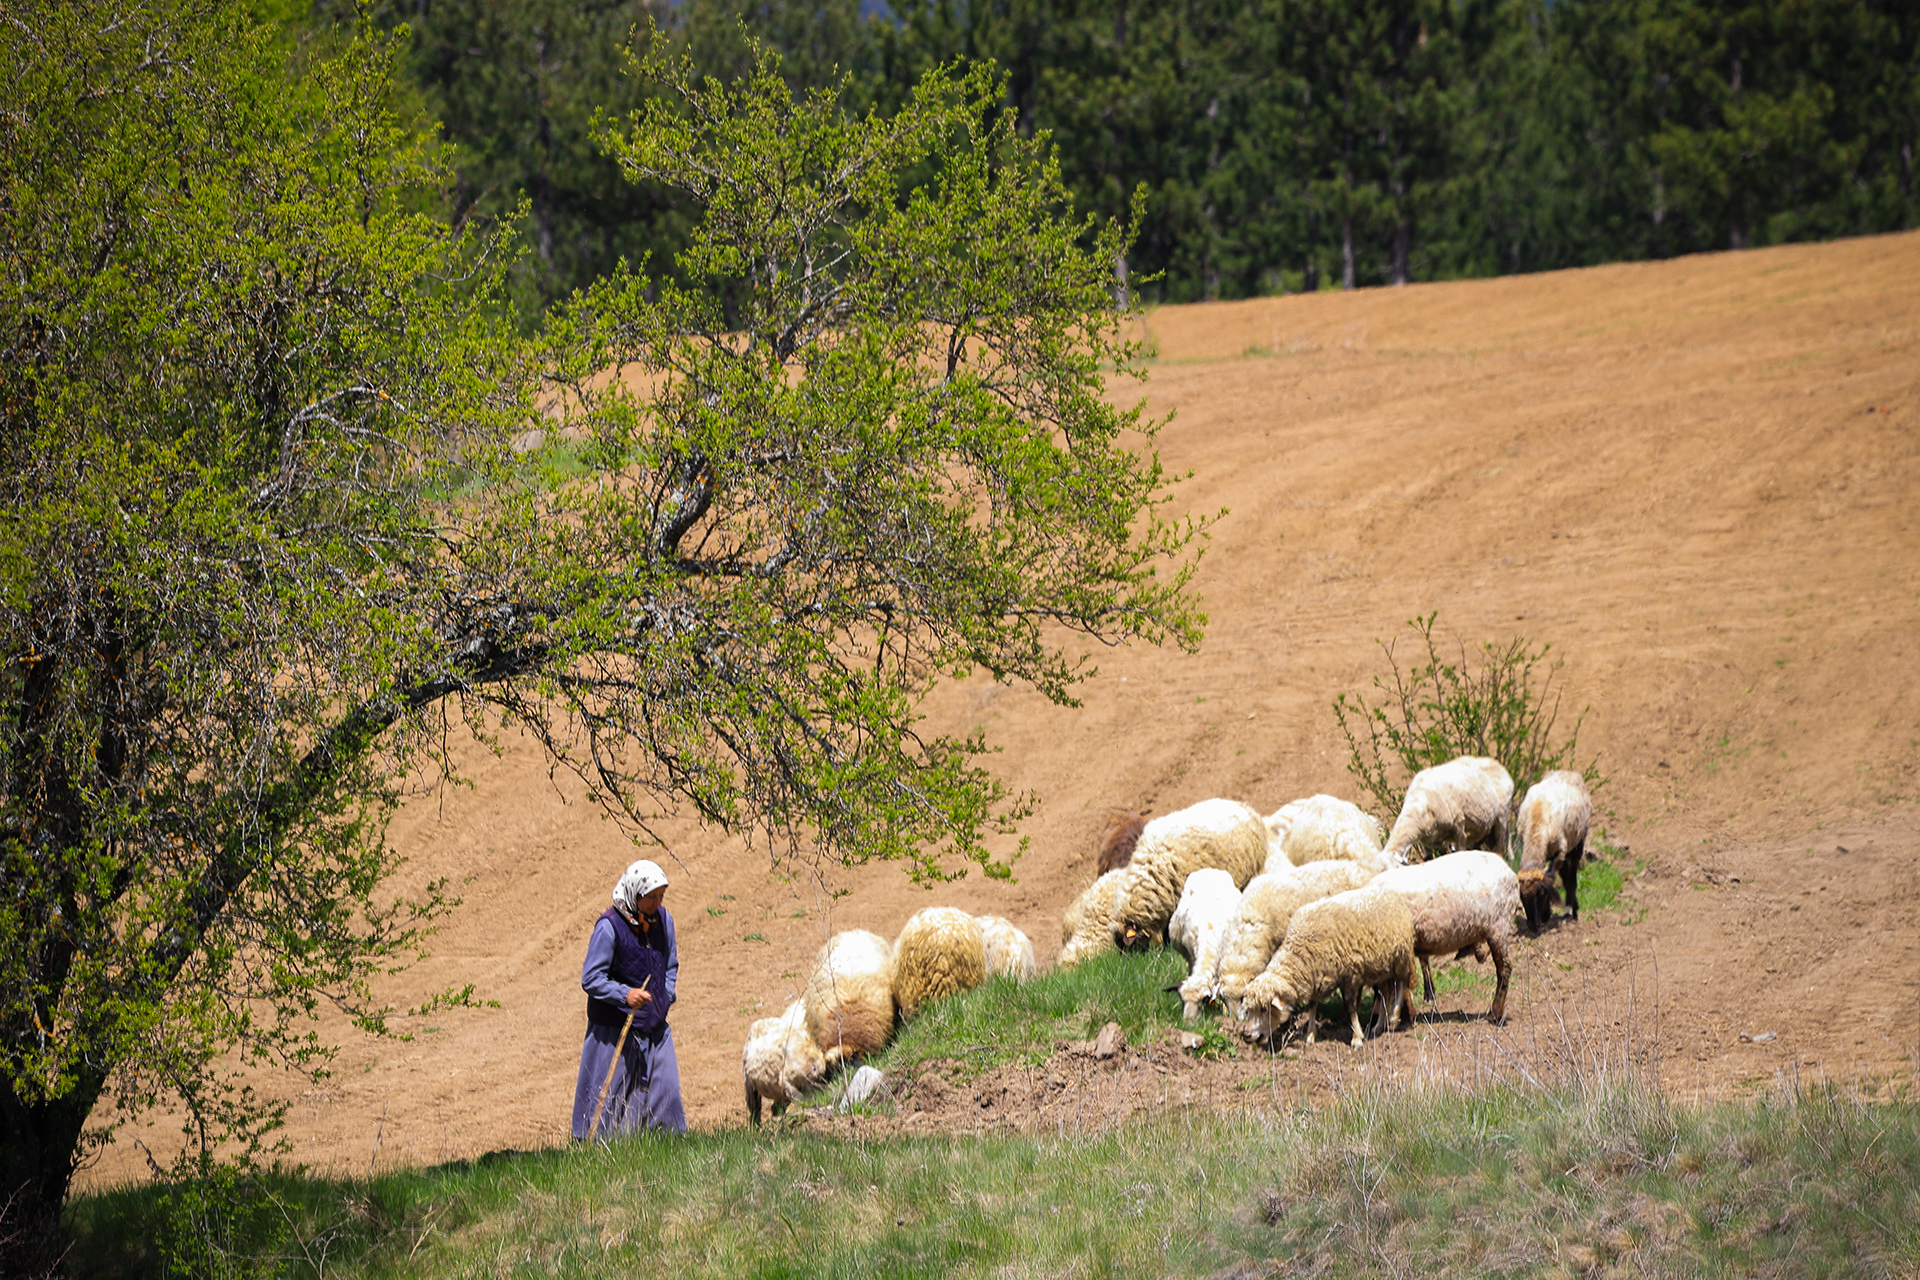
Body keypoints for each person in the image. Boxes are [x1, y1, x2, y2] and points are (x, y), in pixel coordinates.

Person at [570, 858, 686, 1137]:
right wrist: (625, 995)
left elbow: (670, 966)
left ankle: (668, 1146)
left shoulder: (664, 922)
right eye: (651, 897)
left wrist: (665, 995)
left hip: (655, 1030)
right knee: (611, 1105)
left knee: (666, 1092)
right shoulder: (609, 927)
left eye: (661, 896)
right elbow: (591, 978)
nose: (657, 903)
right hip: (614, 1031)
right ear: (635, 894)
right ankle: (601, 1151)